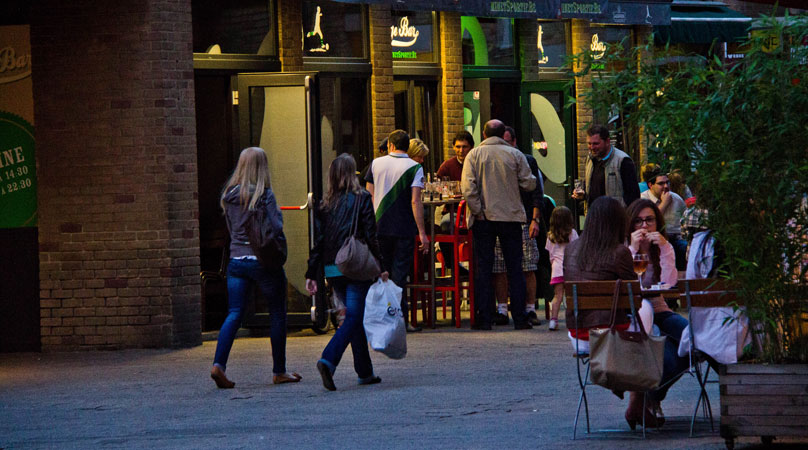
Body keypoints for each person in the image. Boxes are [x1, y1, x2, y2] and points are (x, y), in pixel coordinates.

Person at [563, 196, 659, 428]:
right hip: (609, 333)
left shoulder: (571, 249)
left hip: (579, 334)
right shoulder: (619, 252)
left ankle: (630, 395)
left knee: (645, 330)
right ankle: (636, 403)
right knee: (649, 326)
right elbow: (633, 301)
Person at [210, 147, 301, 389]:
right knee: (277, 312)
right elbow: (276, 226)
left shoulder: (228, 195)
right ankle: (279, 371)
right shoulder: (265, 195)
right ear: (262, 167)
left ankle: (219, 364)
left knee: (235, 312)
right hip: (262, 261)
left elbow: (232, 228)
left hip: (237, 262)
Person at [306, 154, 386, 391]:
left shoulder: (325, 204)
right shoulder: (362, 198)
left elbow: (318, 241)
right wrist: (381, 266)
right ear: (353, 174)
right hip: (355, 265)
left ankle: (365, 371)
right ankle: (328, 360)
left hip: (333, 267)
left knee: (354, 317)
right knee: (353, 317)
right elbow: (371, 235)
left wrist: (312, 271)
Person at [461, 119, 537, 330]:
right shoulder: (515, 155)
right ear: (503, 133)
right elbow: (529, 183)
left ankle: (484, 318)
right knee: (515, 267)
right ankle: (520, 318)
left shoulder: (474, 155)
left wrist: (478, 211)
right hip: (511, 217)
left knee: (483, 268)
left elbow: (468, 187)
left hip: (484, 218)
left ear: (484, 135)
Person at [626, 198, 690, 424]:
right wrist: (633, 249)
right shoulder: (625, 248)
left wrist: (664, 246)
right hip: (637, 313)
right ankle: (644, 400)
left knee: (692, 340)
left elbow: (670, 282)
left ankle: (649, 396)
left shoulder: (663, 246)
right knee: (670, 355)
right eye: (639, 221)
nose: (644, 227)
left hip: (659, 308)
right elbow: (628, 282)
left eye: (649, 221)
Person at [365, 129, 429, 333]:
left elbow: (370, 196)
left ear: (391, 145)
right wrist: (422, 232)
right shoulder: (415, 167)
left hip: (379, 227)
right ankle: (400, 320)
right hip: (403, 228)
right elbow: (415, 201)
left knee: (381, 274)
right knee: (400, 277)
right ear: (406, 146)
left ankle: (380, 319)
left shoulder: (376, 164)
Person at [491, 125, 543, 326]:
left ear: (513, 142)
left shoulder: (527, 160)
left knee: (528, 265)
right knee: (500, 266)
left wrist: (535, 219)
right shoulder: (494, 160)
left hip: (522, 219)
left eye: (506, 142)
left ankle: (529, 308)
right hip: (499, 218)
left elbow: (536, 193)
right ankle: (502, 308)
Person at [572, 125, 640, 208]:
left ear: (607, 141)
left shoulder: (623, 161)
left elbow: (633, 197)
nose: (592, 147)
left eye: (596, 144)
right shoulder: (590, 159)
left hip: (614, 217)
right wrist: (582, 195)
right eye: (589, 143)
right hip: (593, 216)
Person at [640, 164, 687, 272]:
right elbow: (650, 220)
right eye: (661, 183)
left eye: (667, 182)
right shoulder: (643, 199)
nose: (666, 186)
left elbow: (685, 219)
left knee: (685, 248)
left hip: (675, 238)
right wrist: (664, 203)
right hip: (652, 239)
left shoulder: (676, 199)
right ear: (650, 185)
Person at [545, 206, 578, 331]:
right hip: (570, 267)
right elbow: (576, 249)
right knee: (571, 295)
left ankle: (553, 320)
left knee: (557, 295)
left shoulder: (550, 236)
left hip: (556, 268)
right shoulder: (573, 233)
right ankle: (572, 320)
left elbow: (551, 255)